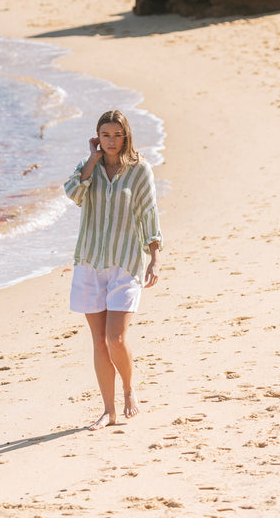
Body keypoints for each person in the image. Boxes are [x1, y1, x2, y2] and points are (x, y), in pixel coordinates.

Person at [64, 108, 162, 431]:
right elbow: (73, 193)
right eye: (105, 135)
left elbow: (149, 215)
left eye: (117, 135)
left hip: (125, 262)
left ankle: (129, 389)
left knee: (115, 338)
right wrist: (91, 160)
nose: (111, 141)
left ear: (126, 136)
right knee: (98, 342)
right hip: (91, 262)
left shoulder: (139, 171)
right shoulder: (87, 169)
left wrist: (155, 257)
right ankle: (108, 411)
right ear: (97, 137)